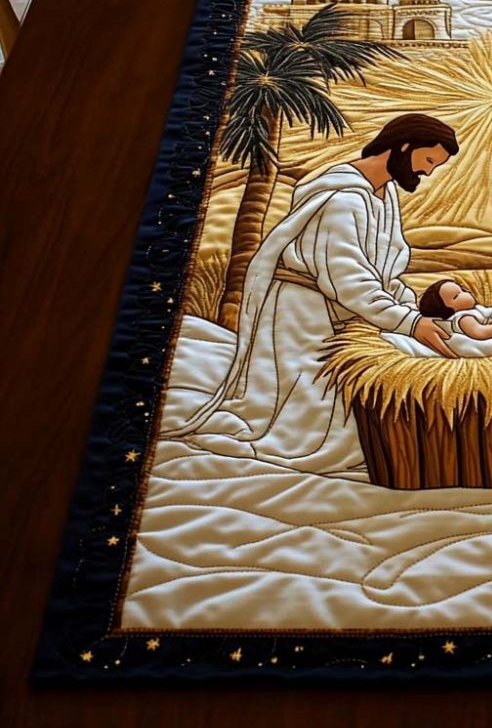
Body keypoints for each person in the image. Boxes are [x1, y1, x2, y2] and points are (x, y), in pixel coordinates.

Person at [161, 114, 459, 473]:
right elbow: (349, 278)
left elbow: (383, 272)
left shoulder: (384, 194)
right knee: (315, 430)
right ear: (404, 145)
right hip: (301, 313)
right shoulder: (342, 199)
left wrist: (412, 311)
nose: (428, 172)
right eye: (428, 160)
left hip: (343, 311)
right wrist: (409, 322)